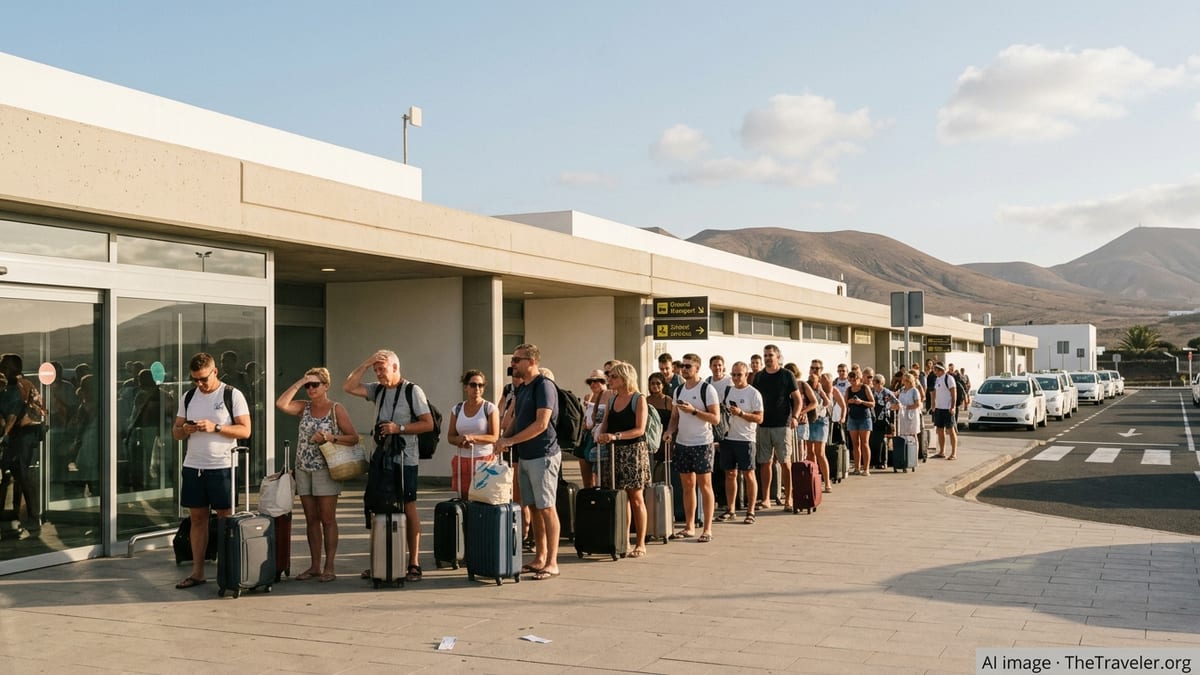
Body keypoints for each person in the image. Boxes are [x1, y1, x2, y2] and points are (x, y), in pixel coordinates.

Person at [343, 349, 434, 583]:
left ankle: (413, 562)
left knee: (408, 505)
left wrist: (399, 429)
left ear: (396, 367)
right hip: (380, 457)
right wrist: (366, 362)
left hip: (405, 458)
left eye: (382, 369)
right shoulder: (378, 390)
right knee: (377, 505)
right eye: (376, 370)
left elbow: (428, 424)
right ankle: (381, 561)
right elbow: (349, 387)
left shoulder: (413, 391)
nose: (379, 374)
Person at [172, 352, 252, 589]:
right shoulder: (188, 397)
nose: (200, 384)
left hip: (222, 466)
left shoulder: (232, 394)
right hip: (194, 465)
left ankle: (227, 571)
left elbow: (245, 431)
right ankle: (197, 572)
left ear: (214, 372)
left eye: (203, 379)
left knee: (225, 520)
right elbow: (175, 433)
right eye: (195, 379)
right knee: (197, 519)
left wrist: (216, 427)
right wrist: (185, 429)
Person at [276, 367, 358, 582]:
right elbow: (281, 404)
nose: (310, 389)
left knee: (327, 518)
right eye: (308, 385)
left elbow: (353, 437)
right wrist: (299, 382)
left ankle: (329, 566)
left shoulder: (335, 409)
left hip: (326, 468)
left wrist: (330, 437)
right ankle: (314, 566)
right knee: (311, 519)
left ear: (326, 386)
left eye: (315, 384)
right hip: (303, 468)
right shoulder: (304, 408)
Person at [496, 344, 561, 580]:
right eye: (512, 359)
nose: (512, 363)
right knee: (532, 507)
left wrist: (511, 440)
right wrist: (503, 439)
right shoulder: (522, 388)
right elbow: (515, 419)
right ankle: (540, 557)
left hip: (543, 454)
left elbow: (541, 423)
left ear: (531, 361)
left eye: (516, 359)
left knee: (546, 507)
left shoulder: (544, 385)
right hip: (525, 455)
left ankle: (552, 562)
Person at [595, 361, 650, 557]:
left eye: (613, 377)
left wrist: (616, 436)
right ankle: (624, 540)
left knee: (636, 497)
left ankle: (641, 542)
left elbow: (640, 429)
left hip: (633, 452)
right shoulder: (611, 399)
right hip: (614, 452)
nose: (609, 380)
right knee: (621, 498)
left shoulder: (638, 399)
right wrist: (601, 435)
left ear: (625, 378)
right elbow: (605, 422)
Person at [663, 353, 719, 543]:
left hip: (702, 443)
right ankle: (689, 526)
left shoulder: (707, 389)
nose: (684, 369)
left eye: (688, 366)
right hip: (683, 443)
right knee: (687, 486)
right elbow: (674, 417)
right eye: (683, 366)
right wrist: (669, 431)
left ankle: (707, 528)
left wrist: (694, 411)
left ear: (697, 368)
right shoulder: (678, 390)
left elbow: (716, 418)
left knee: (705, 486)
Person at [1, 353, 48, 536]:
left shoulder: (18, 387)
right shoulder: (22, 385)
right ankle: (22, 515)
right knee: (17, 474)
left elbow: (13, 414)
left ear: (10, 368)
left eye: (4, 365)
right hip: (23, 434)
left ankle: (31, 516)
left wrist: (4, 435)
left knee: (21, 473)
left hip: (23, 434)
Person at [753, 345, 801, 511]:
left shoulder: (786, 375)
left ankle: (789, 498)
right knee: (765, 463)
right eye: (765, 355)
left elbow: (797, 399)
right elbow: (754, 399)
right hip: (763, 425)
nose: (767, 358)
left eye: (770, 355)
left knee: (785, 462)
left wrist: (794, 417)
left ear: (778, 356)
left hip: (782, 425)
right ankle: (766, 498)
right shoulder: (759, 376)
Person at [717, 361, 762, 524]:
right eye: (733, 374)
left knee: (749, 474)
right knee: (730, 474)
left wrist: (741, 413)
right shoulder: (728, 390)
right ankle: (731, 509)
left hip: (746, 439)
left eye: (739, 374)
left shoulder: (753, 393)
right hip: (728, 438)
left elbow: (759, 418)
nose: (736, 378)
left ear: (747, 375)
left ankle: (750, 511)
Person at [446, 369, 499, 499]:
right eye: (473, 385)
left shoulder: (489, 408)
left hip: (484, 460)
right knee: (463, 499)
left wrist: (472, 438)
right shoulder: (457, 409)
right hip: (462, 460)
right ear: (465, 387)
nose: (477, 388)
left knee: (483, 499)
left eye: (481, 385)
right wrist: (460, 440)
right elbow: (450, 437)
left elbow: (494, 437)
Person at [805, 361, 834, 493]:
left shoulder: (825, 383)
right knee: (810, 451)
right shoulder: (807, 383)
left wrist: (821, 390)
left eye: (817, 368)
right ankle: (814, 479)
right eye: (812, 368)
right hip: (810, 419)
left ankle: (827, 482)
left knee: (820, 452)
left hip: (821, 419)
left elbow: (828, 402)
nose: (814, 370)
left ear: (821, 370)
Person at [577, 368, 608, 489]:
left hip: (600, 437)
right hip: (587, 436)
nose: (594, 384)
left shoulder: (608, 395)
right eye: (591, 381)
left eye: (598, 381)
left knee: (599, 475)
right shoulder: (589, 397)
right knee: (588, 477)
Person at [844, 370, 874, 475]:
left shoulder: (865, 388)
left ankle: (866, 468)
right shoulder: (849, 389)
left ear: (859, 378)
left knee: (864, 443)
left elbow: (872, 403)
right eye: (850, 380)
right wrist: (850, 401)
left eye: (855, 379)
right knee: (855, 443)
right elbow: (845, 402)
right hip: (853, 418)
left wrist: (861, 402)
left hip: (864, 418)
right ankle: (857, 467)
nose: (853, 382)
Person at [645, 371, 674, 477]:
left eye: (658, 383)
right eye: (652, 383)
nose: (655, 386)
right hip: (650, 440)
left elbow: (674, 419)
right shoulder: (645, 400)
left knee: (664, 472)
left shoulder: (668, 401)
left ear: (663, 385)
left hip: (665, 440)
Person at [931, 362, 959, 460]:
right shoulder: (937, 379)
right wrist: (933, 405)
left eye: (936, 370)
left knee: (951, 430)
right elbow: (935, 392)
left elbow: (953, 393)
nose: (934, 372)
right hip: (939, 408)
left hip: (947, 409)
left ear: (940, 370)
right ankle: (942, 451)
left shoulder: (949, 378)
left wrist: (953, 406)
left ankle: (954, 453)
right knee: (940, 430)